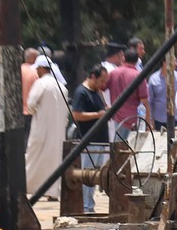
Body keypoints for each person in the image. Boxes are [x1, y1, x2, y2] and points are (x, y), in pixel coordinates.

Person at [25, 56, 71, 199]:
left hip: (41, 129)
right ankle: (52, 191)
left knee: (34, 159)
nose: (36, 72)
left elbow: (31, 104)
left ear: (42, 68)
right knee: (55, 160)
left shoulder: (41, 84)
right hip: (58, 131)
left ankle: (30, 187)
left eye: (37, 69)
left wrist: (37, 113)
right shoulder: (62, 87)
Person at [71, 66, 110, 213]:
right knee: (87, 175)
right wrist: (97, 115)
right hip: (88, 140)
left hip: (99, 140)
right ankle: (86, 207)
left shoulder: (98, 92)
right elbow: (77, 115)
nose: (103, 84)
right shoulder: (81, 93)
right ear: (93, 76)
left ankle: (90, 205)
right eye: (101, 81)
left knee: (95, 176)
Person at [105, 50, 153, 139]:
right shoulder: (138, 76)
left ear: (124, 58)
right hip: (131, 120)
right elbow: (145, 101)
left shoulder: (113, 73)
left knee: (115, 145)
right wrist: (148, 123)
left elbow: (101, 88)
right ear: (136, 60)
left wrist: (105, 105)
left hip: (114, 116)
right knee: (125, 147)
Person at [20, 48, 40, 137]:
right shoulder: (36, 73)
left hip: (18, 112)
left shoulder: (16, 70)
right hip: (31, 112)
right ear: (33, 58)